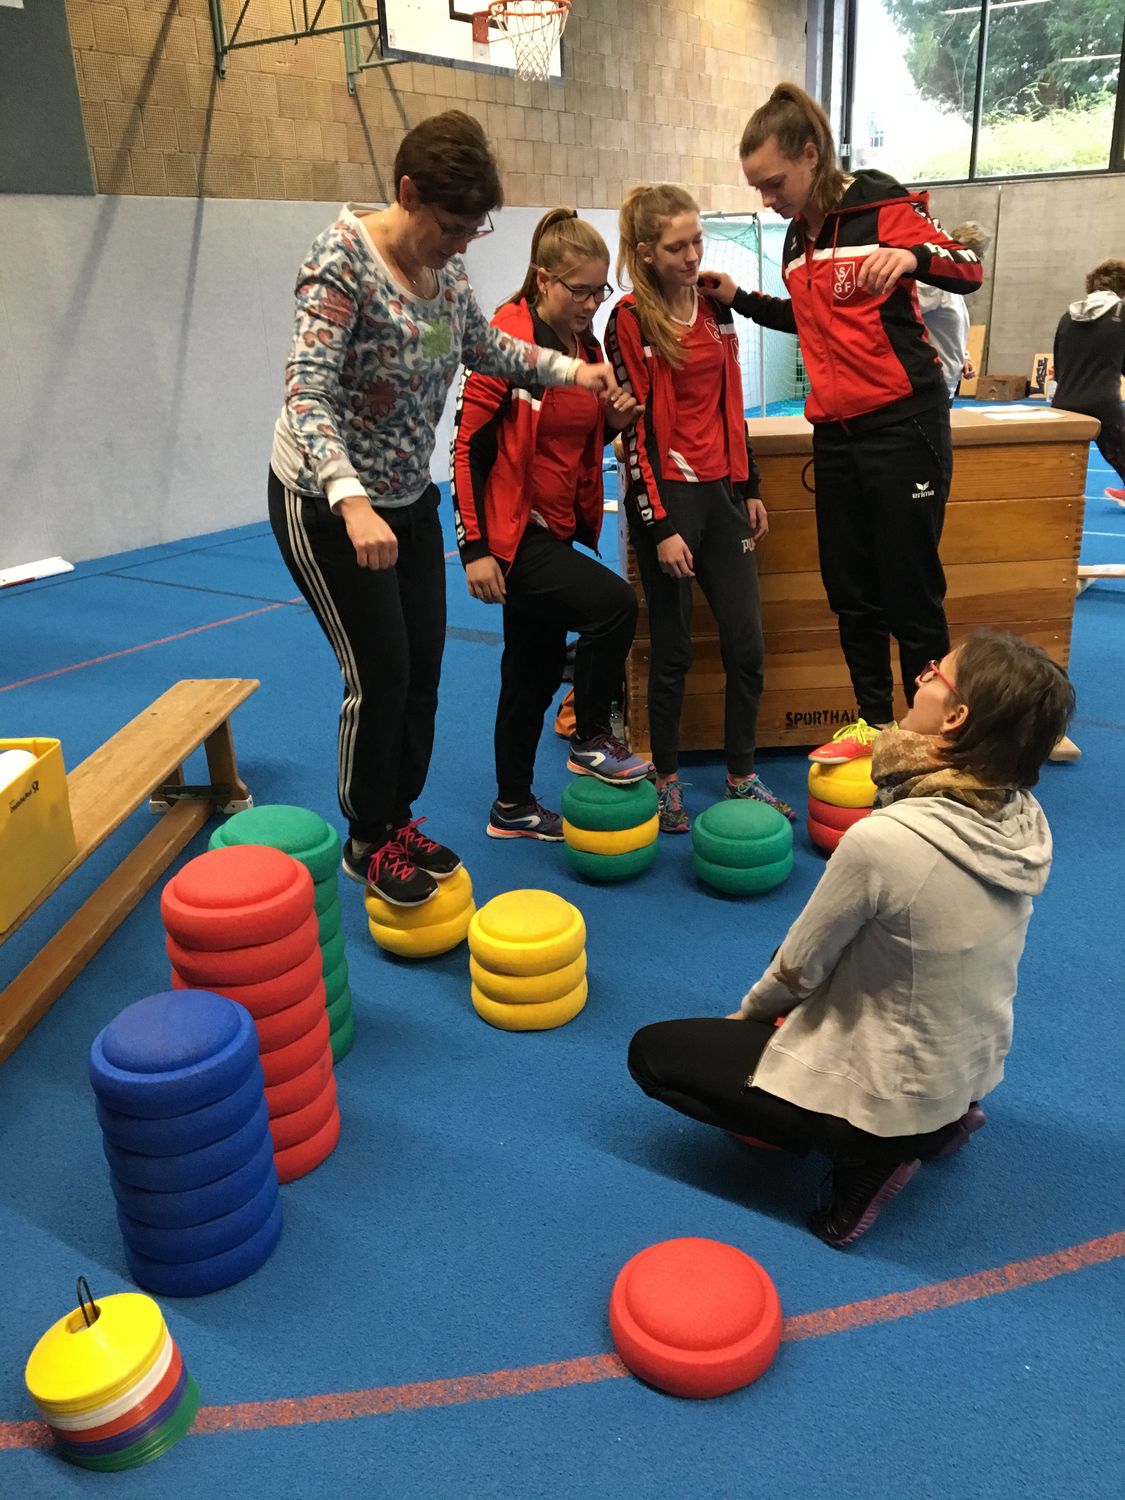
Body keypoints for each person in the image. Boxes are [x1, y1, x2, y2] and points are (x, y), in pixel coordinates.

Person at [268, 112, 617, 907]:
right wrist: (350, 499)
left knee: (423, 673)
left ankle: (399, 819)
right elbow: (307, 391)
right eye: (451, 226)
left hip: (406, 499)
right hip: (325, 502)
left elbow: (484, 349)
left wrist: (572, 371)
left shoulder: (447, 275)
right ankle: (367, 839)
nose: (461, 244)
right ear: (408, 192)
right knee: (379, 675)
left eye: (473, 230)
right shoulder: (341, 261)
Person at [628, 628, 1075, 1249]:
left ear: (956, 718)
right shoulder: (1021, 816)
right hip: (969, 1066)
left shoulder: (885, 840)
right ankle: (945, 1121)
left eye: (935, 672)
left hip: (892, 1093)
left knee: (653, 1055)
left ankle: (872, 1155)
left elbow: (799, 967)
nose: (921, 676)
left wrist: (748, 1017)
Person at [700, 83, 983, 770]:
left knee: (909, 590)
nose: (767, 198)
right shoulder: (796, 238)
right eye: (757, 187)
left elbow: (968, 266)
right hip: (837, 437)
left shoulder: (879, 203)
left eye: (773, 182)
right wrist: (740, 299)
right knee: (850, 591)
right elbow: (806, 319)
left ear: (810, 154)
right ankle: (873, 721)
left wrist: (913, 257)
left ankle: (927, 737)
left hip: (903, 425)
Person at [451, 208, 650, 841]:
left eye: (600, 291)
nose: (592, 304)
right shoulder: (508, 341)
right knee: (613, 606)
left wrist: (614, 420)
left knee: (530, 674)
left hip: (557, 525)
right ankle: (591, 736)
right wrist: (475, 549)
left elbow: (575, 436)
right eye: (580, 291)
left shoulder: (586, 348)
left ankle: (512, 806)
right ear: (543, 279)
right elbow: (467, 447)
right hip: (515, 536)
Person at [605, 184, 793, 835]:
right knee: (674, 649)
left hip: (723, 497)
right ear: (644, 252)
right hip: (668, 500)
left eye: (696, 242)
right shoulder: (629, 319)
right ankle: (666, 778)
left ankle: (741, 773)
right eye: (676, 247)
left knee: (746, 645)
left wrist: (750, 484)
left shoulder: (715, 305)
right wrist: (658, 526)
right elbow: (635, 433)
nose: (691, 256)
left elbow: (729, 402)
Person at [1051, 257, 1125, 505]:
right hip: (1104, 404)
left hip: (1064, 404)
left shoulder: (1067, 316)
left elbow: (1059, 366)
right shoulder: (1121, 313)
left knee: (1058, 466)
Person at [916, 220, 991, 400]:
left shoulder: (954, 286)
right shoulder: (933, 285)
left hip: (946, 379)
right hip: (930, 381)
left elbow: (951, 327)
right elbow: (902, 318)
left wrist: (963, 356)